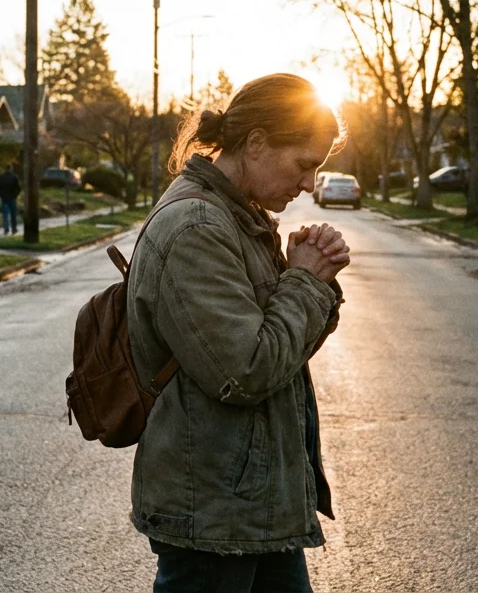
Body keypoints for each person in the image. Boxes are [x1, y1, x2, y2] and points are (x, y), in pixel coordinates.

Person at [127, 73, 349, 593]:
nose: (307, 184)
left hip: (252, 501)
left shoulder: (237, 216)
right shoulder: (197, 228)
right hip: (214, 509)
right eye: (304, 164)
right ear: (256, 142)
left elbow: (284, 349)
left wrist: (313, 283)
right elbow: (246, 371)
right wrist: (305, 280)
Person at [0, 161, 22, 235]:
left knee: (5, 215)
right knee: (13, 214)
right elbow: (19, 188)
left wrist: (1, 195)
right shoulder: (14, 177)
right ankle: (14, 229)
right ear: (11, 168)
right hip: (12, 198)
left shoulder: (1, 177)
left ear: (5, 169)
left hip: (4, 198)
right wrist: (16, 195)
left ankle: (6, 229)